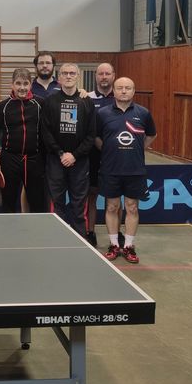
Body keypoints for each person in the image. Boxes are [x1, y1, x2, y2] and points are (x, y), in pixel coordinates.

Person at [95, 77, 157, 264]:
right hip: (110, 169)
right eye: (120, 88)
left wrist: (137, 149)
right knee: (112, 207)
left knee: (132, 207)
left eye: (128, 88)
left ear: (133, 91)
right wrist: (109, 150)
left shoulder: (143, 113)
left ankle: (129, 246)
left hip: (134, 170)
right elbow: (96, 138)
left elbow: (151, 135)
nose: (123, 91)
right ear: (113, 91)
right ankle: (114, 244)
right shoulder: (102, 113)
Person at [40, 63, 96, 235]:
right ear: (59, 77)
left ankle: (81, 239)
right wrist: (60, 153)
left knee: (79, 204)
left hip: (79, 162)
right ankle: (56, 238)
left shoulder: (86, 101)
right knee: (56, 202)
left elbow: (91, 135)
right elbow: (46, 132)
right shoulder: (50, 101)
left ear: (78, 76)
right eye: (65, 73)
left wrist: (75, 155)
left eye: (72, 73)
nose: (69, 76)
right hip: (56, 161)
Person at [0, 68, 45, 213]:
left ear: (31, 85)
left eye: (26, 83)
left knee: (37, 203)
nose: (22, 87)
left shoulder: (41, 104)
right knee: (8, 201)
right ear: (12, 85)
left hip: (34, 160)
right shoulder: (2, 107)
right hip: (10, 159)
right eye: (18, 83)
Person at [84, 62, 116, 246]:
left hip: (115, 157)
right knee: (92, 194)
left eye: (107, 73)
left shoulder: (120, 97)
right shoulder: (87, 98)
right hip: (92, 156)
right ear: (96, 76)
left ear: (113, 76)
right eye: (101, 73)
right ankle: (90, 231)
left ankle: (116, 234)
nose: (104, 77)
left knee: (115, 198)